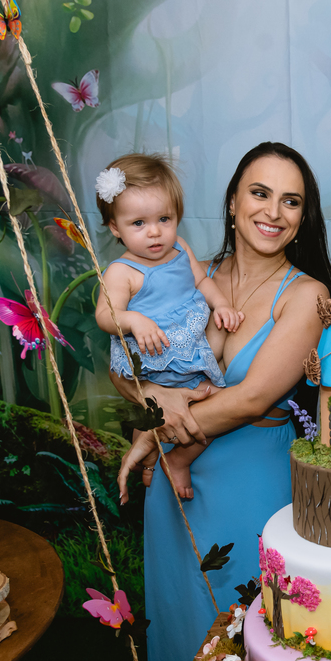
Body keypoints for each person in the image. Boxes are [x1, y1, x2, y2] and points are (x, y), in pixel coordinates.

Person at [113, 142, 331, 661]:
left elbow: (254, 395)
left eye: (292, 201)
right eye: (260, 193)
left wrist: (153, 432)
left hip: (258, 485)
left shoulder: (308, 295)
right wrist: (153, 399)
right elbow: (129, 366)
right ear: (234, 201)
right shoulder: (183, 275)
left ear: (302, 217)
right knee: (182, 630)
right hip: (177, 491)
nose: (274, 211)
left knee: (257, 650)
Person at [94, 153, 243, 500]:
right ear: (115, 228)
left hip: (188, 354)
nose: (155, 232)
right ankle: (149, 460)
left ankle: (176, 460)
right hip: (154, 361)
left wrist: (220, 304)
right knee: (153, 421)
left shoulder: (179, 248)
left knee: (218, 408)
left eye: (164, 218)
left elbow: (201, 280)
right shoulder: (121, 271)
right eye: (138, 223)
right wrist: (133, 319)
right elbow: (106, 315)